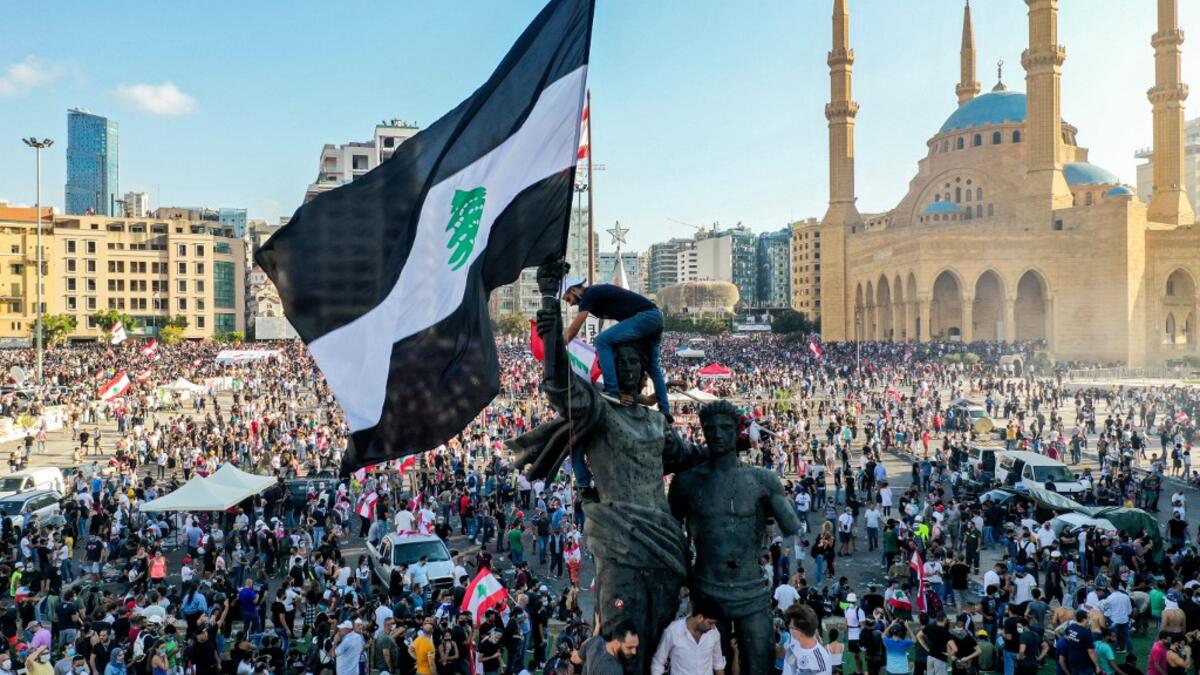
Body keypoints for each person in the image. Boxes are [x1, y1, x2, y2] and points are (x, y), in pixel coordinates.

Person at [649, 598, 726, 675]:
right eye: (710, 623)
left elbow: (718, 664)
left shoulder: (714, 633)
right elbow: (658, 663)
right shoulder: (673, 631)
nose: (713, 627)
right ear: (699, 618)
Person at [782, 604, 833, 675]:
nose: (790, 628)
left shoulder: (822, 660)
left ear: (799, 632)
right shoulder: (792, 647)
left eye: (791, 627)